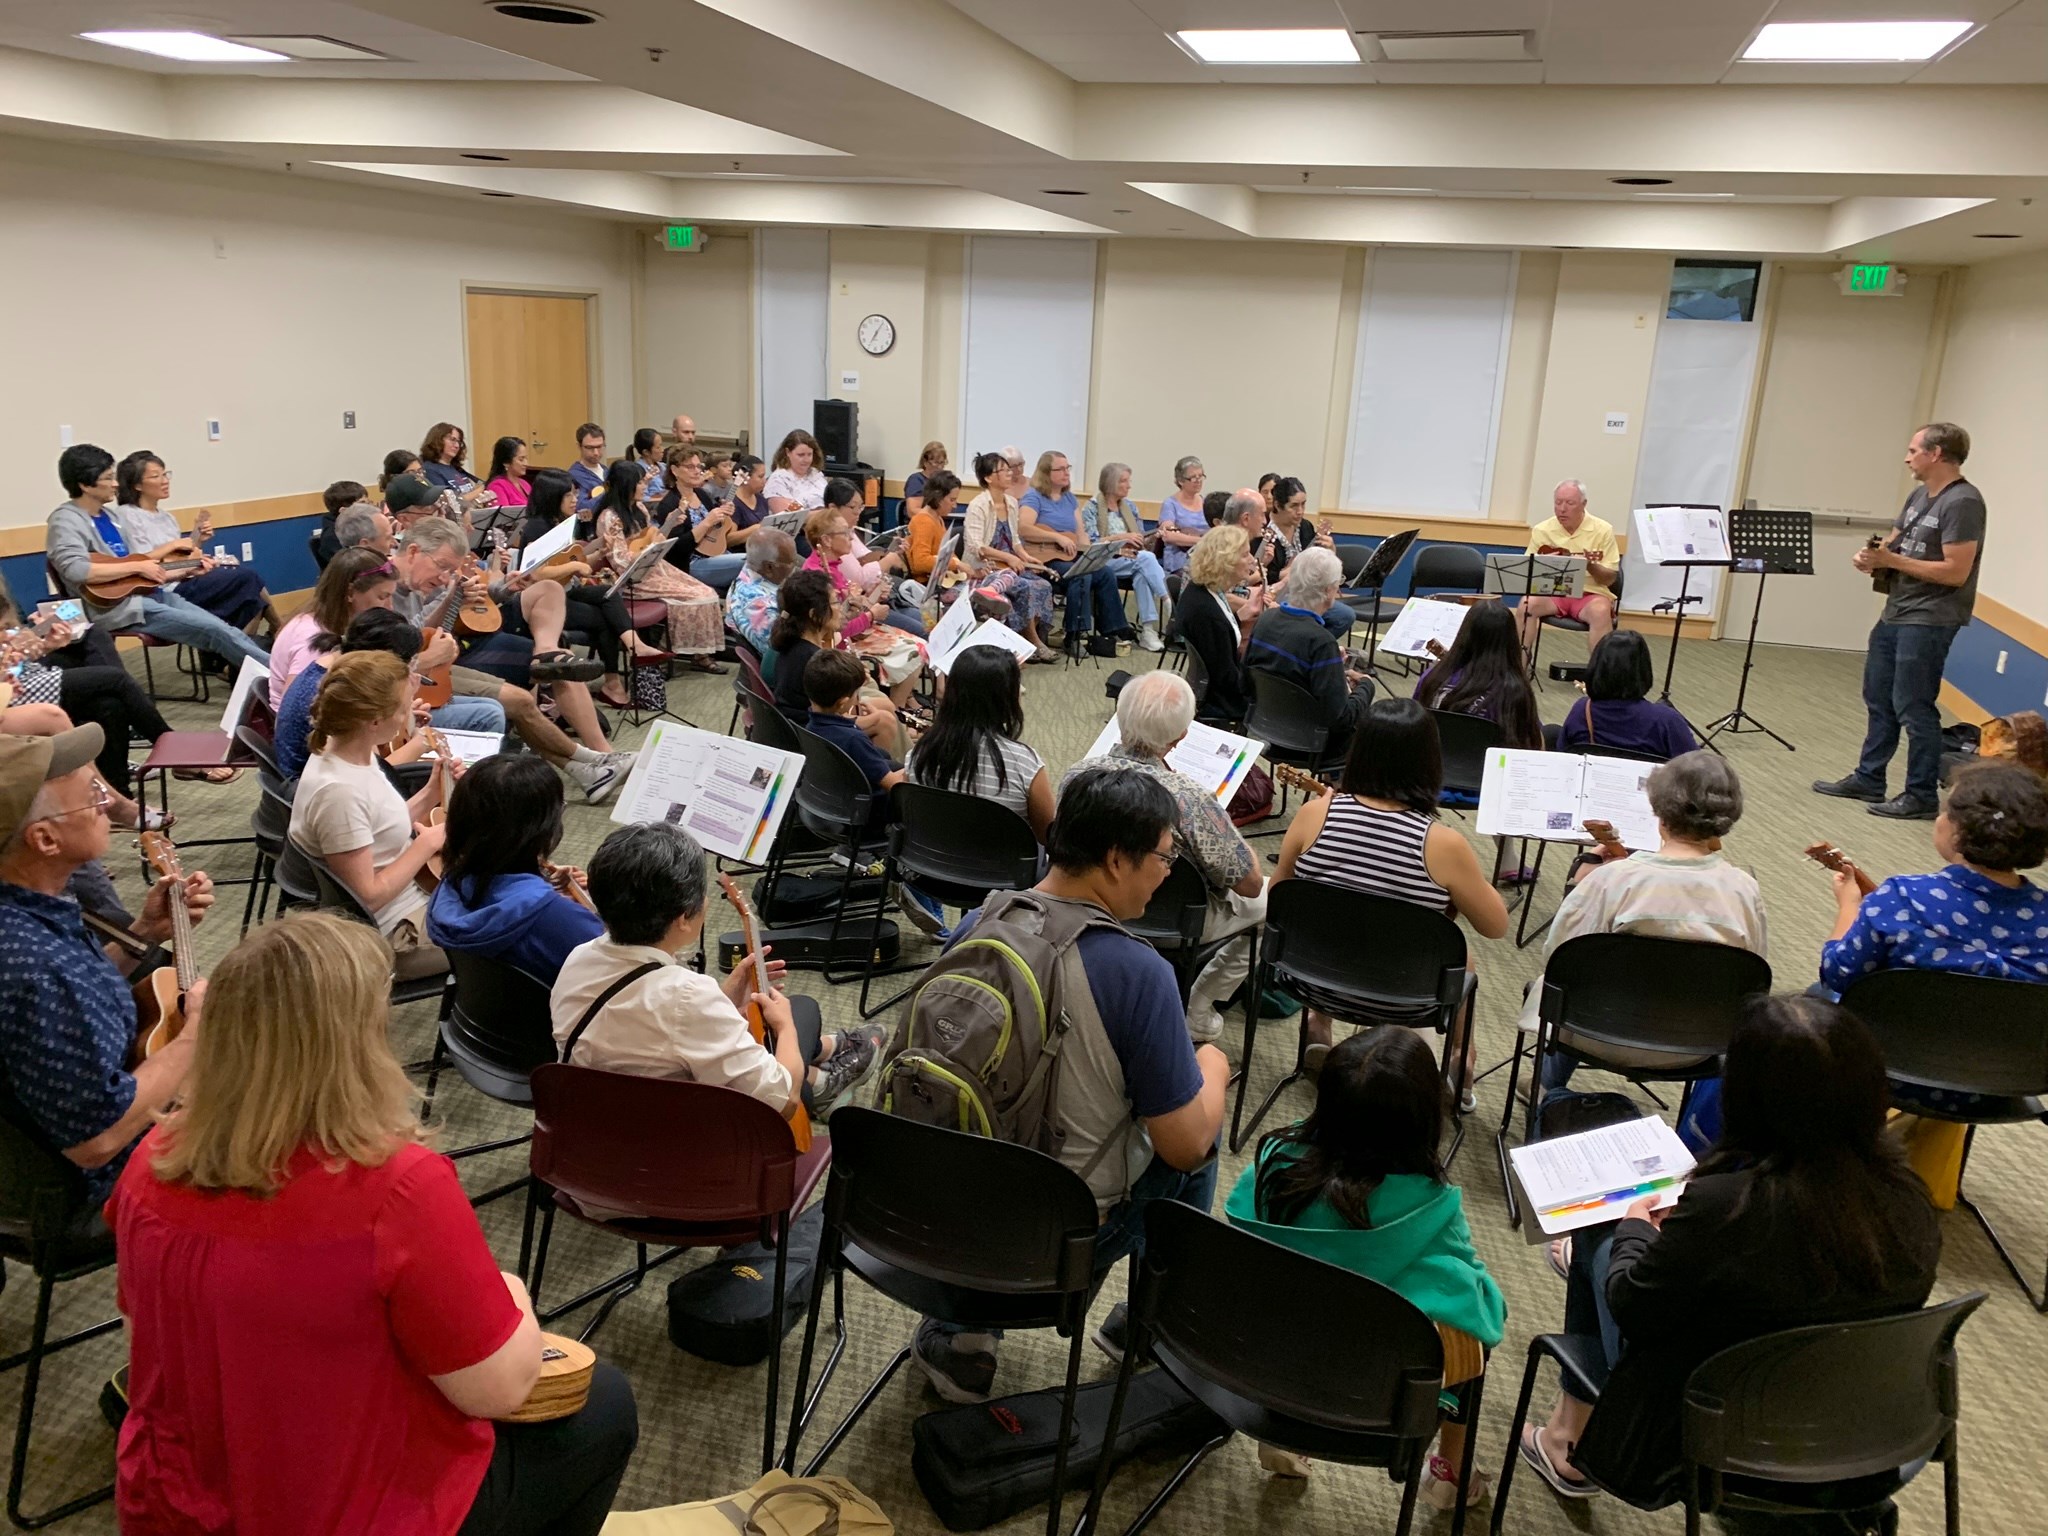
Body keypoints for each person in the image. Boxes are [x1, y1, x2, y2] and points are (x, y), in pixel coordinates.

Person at [106, 910, 638, 1536]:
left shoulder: (150, 1160)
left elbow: (148, 1324)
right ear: (355, 1045)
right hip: (331, 1514)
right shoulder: (397, 1188)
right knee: (604, 1406)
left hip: (170, 1502)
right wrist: (513, 1295)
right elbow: (499, 1391)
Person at [1521, 996, 1939, 1514]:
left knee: (1600, 1231)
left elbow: (1633, 1305)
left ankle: (1568, 1439)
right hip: (1859, 1431)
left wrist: (1634, 1227)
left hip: (1702, 1431)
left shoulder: (1726, 1209)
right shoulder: (1910, 1199)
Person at [913, 768, 1229, 1399]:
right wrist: (1213, 1067)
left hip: (935, 1206)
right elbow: (1184, 1145)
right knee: (1201, 1143)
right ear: (1117, 859)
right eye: (1165, 857)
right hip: (1056, 1238)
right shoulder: (1142, 972)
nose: (1168, 872)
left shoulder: (980, 919)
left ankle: (963, 1337)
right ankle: (1142, 1329)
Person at [1226, 1029, 1505, 1507]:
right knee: (1471, 1341)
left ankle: (1282, 1431)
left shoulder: (1273, 1164)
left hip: (1260, 1363)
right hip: (1368, 1400)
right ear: (1423, 1120)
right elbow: (1483, 1315)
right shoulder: (1431, 1208)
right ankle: (1452, 1473)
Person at [0, 724, 216, 1207]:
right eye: (92, 794)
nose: (106, 802)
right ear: (45, 840)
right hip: (109, 1182)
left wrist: (143, 932)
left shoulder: (31, 910)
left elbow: (74, 1001)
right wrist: (194, 1037)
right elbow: (96, 1141)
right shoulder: (39, 966)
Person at [551, 821, 879, 1115]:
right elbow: (782, 1103)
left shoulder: (577, 959)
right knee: (801, 1012)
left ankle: (822, 1078)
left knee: (768, 1022)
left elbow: (650, 1030)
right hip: (670, 1150)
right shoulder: (688, 996)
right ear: (682, 918)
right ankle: (822, 1078)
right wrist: (785, 1027)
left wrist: (721, 1001)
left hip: (594, 1128)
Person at [1273, 698, 1510, 1106]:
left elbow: (1279, 898)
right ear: (1431, 763)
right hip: (1407, 998)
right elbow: (1496, 926)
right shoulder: (1443, 844)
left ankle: (1317, 1024)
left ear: (1359, 751)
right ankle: (1459, 1056)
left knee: (1336, 915)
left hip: (1310, 979)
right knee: (1462, 955)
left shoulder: (1315, 814)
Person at [1521, 751, 1766, 1096]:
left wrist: (1582, 887)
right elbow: (1752, 980)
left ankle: (1545, 1086)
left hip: (1596, 1031)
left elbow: (1559, 957)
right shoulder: (1745, 889)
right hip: (1697, 1045)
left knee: (1571, 984)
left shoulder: (1613, 879)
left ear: (1660, 812)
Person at [1061, 671, 1266, 1045]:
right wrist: (1229, 832)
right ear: (1181, 737)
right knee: (1273, 899)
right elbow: (1248, 884)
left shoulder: (1075, 776)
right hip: (1173, 922)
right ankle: (1200, 1006)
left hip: (1086, 907)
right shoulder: (1190, 797)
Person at [1816, 422, 1987, 820]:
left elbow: (1956, 571)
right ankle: (1869, 777)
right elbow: (1893, 543)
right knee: (1878, 697)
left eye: (1914, 450)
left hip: (1930, 618)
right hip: (1897, 609)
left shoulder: (1963, 502)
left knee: (1915, 706)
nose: (1907, 457)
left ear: (1937, 453)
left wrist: (1891, 560)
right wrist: (1872, 557)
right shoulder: (1918, 495)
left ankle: (1921, 795)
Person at [288, 651, 453, 980]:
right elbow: (368, 897)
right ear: (375, 721)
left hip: (410, 901)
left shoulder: (353, 752)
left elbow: (378, 828)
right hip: (393, 935)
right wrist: (427, 842)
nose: (410, 715)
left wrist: (430, 793)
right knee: (515, 930)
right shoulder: (339, 792)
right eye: (404, 708)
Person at [1820, 761, 2048, 994]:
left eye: (1945, 810)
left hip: (1899, 1029)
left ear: (1959, 830)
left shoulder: (1901, 898)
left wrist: (1849, 907)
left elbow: (1837, 975)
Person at [46, 444, 270, 670]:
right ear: (85, 484)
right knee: (216, 632)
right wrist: (139, 568)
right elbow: (76, 570)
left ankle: (275, 674)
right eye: (108, 478)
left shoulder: (110, 517)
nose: (115, 484)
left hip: (149, 595)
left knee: (226, 630)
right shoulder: (65, 521)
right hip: (116, 609)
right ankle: (280, 679)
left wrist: (186, 570)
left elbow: (136, 566)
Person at [428, 754, 605, 982]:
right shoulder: (564, 921)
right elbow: (618, 967)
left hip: (487, 1012)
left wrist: (543, 886)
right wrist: (598, 909)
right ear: (539, 829)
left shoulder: (449, 888)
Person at [274, 609, 502, 781]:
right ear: (383, 662)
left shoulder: (332, 667)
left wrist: (404, 714)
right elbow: (372, 773)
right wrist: (422, 742)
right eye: (409, 665)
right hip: (317, 791)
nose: (411, 673)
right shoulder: (344, 693)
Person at [516, 468, 652, 710]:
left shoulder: (563, 523)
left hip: (565, 588)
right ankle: (617, 674)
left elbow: (570, 565)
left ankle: (627, 657)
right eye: (568, 495)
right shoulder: (537, 527)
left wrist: (599, 552)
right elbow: (536, 573)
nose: (574, 499)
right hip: (544, 601)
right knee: (604, 617)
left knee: (606, 593)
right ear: (552, 496)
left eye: (575, 493)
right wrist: (579, 564)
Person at [116, 449, 279, 637]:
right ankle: (276, 630)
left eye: (165, 474)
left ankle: (241, 654)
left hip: (186, 577)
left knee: (249, 592)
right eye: (156, 476)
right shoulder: (128, 515)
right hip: (165, 588)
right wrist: (188, 561)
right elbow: (147, 562)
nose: (165, 480)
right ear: (137, 485)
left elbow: (182, 558)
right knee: (247, 579)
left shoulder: (166, 517)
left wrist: (197, 540)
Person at [907, 643, 1054, 842]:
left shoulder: (919, 754)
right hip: (1001, 869)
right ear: (1005, 697)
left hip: (931, 862)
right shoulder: (1025, 763)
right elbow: (1048, 835)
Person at [588, 459, 724, 669]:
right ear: (626, 485)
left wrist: (669, 525)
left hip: (653, 566)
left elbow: (652, 539)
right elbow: (622, 560)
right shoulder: (610, 517)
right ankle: (686, 652)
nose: (645, 486)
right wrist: (650, 551)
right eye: (640, 482)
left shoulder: (639, 508)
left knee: (707, 591)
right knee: (698, 596)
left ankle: (680, 647)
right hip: (633, 576)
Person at [1245, 547, 1373, 757]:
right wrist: (1366, 686)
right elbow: (1341, 719)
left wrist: (1331, 670)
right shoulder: (1321, 642)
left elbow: (1246, 683)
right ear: (1329, 591)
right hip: (1310, 743)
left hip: (1265, 728)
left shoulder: (1265, 621)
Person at [803, 508, 926, 704]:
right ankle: (897, 709)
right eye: (845, 533)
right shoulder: (818, 577)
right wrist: (871, 615)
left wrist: (871, 597)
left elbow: (848, 612)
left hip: (853, 634)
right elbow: (833, 632)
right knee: (915, 648)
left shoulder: (832, 566)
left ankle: (902, 704)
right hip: (840, 646)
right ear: (826, 540)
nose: (851, 539)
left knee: (919, 644)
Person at [1019, 450, 1128, 659]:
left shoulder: (1069, 499)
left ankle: (1112, 631)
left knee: (1104, 573)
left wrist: (1092, 551)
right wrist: (1057, 538)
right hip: (1044, 561)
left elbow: (1080, 534)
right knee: (1080, 576)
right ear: (1045, 472)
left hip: (1069, 557)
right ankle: (1074, 635)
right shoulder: (1034, 497)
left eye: (1067, 468)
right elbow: (1023, 527)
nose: (1066, 472)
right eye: (1060, 469)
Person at [268, 546, 395, 710]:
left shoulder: (319, 619)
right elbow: (294, 708)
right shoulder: (316, 643)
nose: (390, 607)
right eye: (382, 597)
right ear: (350, 593)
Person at [960, 450, 1058, 662]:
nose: (1009, 474)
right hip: (986, 568)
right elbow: (978, 546)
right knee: (1024, 586)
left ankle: (1026, 638)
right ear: (988, 477)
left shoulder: (1012, 503)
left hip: (1010, 564)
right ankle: (1032, 643)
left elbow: (1014, 540)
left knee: (1043, 584)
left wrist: (1024, 556)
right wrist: (1011, 559)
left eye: (1008, 469)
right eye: (1003, 470)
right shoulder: (978, 505)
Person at [1514, 480, 1621, 661]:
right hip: (1552, 592)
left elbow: (1610, 579)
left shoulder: (1602, 530)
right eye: (1558, 502)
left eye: (1569, 503)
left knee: (1601, 611)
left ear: (1583, 504)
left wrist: (1590, 565)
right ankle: (1517, 671)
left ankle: (1600, 678)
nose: (1562, 509)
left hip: (1589, 593)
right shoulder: (1542, 529)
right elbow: (1527, 569)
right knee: (1527, 605)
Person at [1414, 600, 1543, 751]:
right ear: (1511, 640)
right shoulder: (1514, 690)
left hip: (1434, 766)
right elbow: (1533, 746)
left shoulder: (1432, 677)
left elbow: (1415, 726)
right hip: (1486, 770)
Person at [1556, 630, 1696, 759]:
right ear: (1643, 670)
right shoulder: (1666, 720)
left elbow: (1563, 755)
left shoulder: (1582, 709)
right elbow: (1697, 770)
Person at [1081, 461, 1170, 652]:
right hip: (1105, 563)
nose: (1128, 486)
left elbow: (1143, 541)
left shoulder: (1130, 507)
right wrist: (1121, 537)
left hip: (1133, 560)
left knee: (1142, 573)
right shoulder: (1092, 508)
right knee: (1146, 560)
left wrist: (1155, 536)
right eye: (1123, 481)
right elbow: (1090, 543)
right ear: (1111, 483)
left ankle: (1148, 630)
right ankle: (1168, 600)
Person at [803, 649, 908, 811]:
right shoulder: (854, 740)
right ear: (843, 702)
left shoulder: (810, 726)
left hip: (840, 797)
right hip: (869, 812)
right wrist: (916, 766)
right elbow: (893, 784)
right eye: (856, 693)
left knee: (891, 761)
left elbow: (838, 732)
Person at [1177, 525, 1258, 726]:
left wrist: (1240, 618)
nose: (1252, 560)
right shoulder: (1206, 611)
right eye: (1245, 555)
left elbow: (1219, 641)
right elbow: (1226, 677)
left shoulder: (1204, 591)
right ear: (1227, 561)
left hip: (1215, 687)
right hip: (1221, 700)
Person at [1266, 477, 1353, 637]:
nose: (1300, 511)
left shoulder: (1305, 527)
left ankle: (1311, 645)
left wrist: (1330, 551)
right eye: (1294, 506)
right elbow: (1260, 573)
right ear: (1278, 505)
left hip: (1306, 592)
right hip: (1274, 595)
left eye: (1303, 504)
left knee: (1344, 616)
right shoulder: (1264, 532)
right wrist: (1283, 574)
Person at [769, 569, 837, 718]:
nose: (839, 608)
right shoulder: (815, 661)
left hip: (795, 725)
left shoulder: (789, 641)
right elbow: (831, 717)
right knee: (883, 719)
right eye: (835, 602)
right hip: (811, 732)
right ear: (813, 614)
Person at [726, 527, 801, 661]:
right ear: (769, 567)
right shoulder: (759, 604)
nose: (796, 567)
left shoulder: (751, 569)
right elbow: (789, 654)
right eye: (791, 563)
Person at [904, 469, 967, 593]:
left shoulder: (937, 518)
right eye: (952, 500)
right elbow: (920, 562)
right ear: (938, 498)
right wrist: (957, 565)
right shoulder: (924, 521)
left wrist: (960, 565)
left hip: (937, 580)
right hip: (925, 585)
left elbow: (944, 550)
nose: (954, 505)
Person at [1155, 456, 1210, 576]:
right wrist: (1202, 541)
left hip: (1205, 560)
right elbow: (1168, 535)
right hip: (1179, 563)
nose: (1198, 480)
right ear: (1180, 481)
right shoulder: (1170, 504)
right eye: (1193, 477)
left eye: (1201, 476)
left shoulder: (1206, 503)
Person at [764, 429, 829, 512]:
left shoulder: (815, 474)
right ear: (788, 452)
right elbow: (787, 515)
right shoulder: (777, 480)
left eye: (809, 454)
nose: (806, 460)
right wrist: (825, 514)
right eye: (801, 455)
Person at [313, 478, 368, 568]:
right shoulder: (332, 538)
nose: (368, 507)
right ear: (343, 511)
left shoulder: (357, 526)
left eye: (368, 502)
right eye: (362, 504)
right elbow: (353, 566)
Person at [901, 441, 949, 519]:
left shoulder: (943, 481)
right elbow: (913, 511)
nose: (940, 467)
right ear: (925, 462)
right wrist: (936, 516)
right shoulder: (916, 481)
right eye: (936, 463)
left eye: (942, 463)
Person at [728, 452, 770, 531]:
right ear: (745, 477)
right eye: (760, 477)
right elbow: (729, 538)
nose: (764, 481)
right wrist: (755, 528)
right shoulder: (732, 503)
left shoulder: (761, 499)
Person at [628, 426, 667, 501]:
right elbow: (641, 498)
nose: (662, 450)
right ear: (646, 452)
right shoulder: (638, 471)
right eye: (658, 447)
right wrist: (663, 499)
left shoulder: (663, 466)